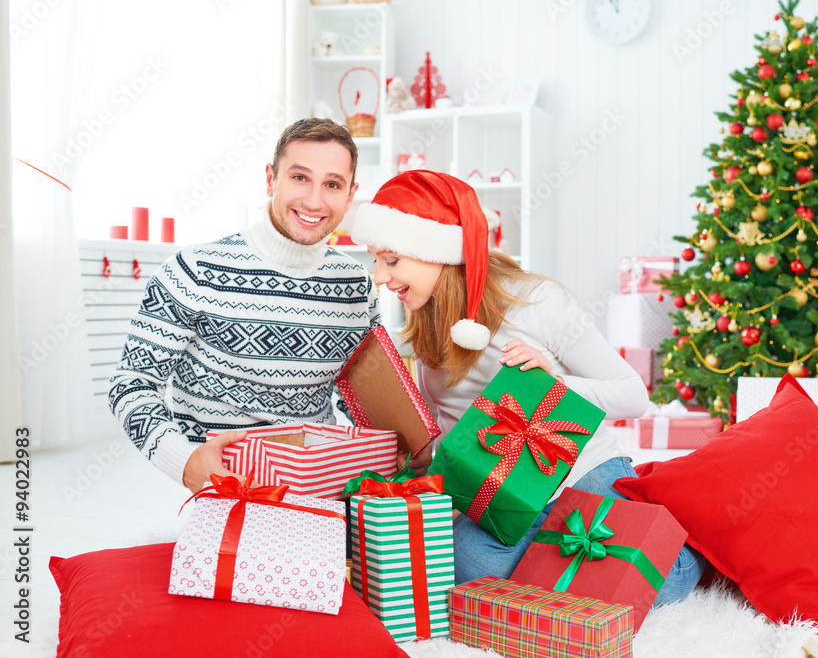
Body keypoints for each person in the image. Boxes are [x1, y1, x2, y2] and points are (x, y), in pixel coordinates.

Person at [350, 169, 705, 605]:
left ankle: (671, 536)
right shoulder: (424, 323)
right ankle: (559, 549)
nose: (380, 277)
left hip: (579, 469)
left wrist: (551, 386)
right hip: (502, 490)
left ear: (435, 251)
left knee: (664, 583)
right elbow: (453, 429)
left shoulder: (535, 300)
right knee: (465, 569)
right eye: (375, 261)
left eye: (391, 260)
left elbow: (633, 394)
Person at [109, 118, 381, 494]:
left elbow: (361, 398)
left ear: (350, 195)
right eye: (300, 177)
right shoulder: (194, 270)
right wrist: (185, 463)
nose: (315, 201)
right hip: (221, 490)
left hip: (323, 487)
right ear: (270, 179)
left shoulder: (358, 286)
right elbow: (131, 383)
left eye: (332, 184)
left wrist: (391, 447)